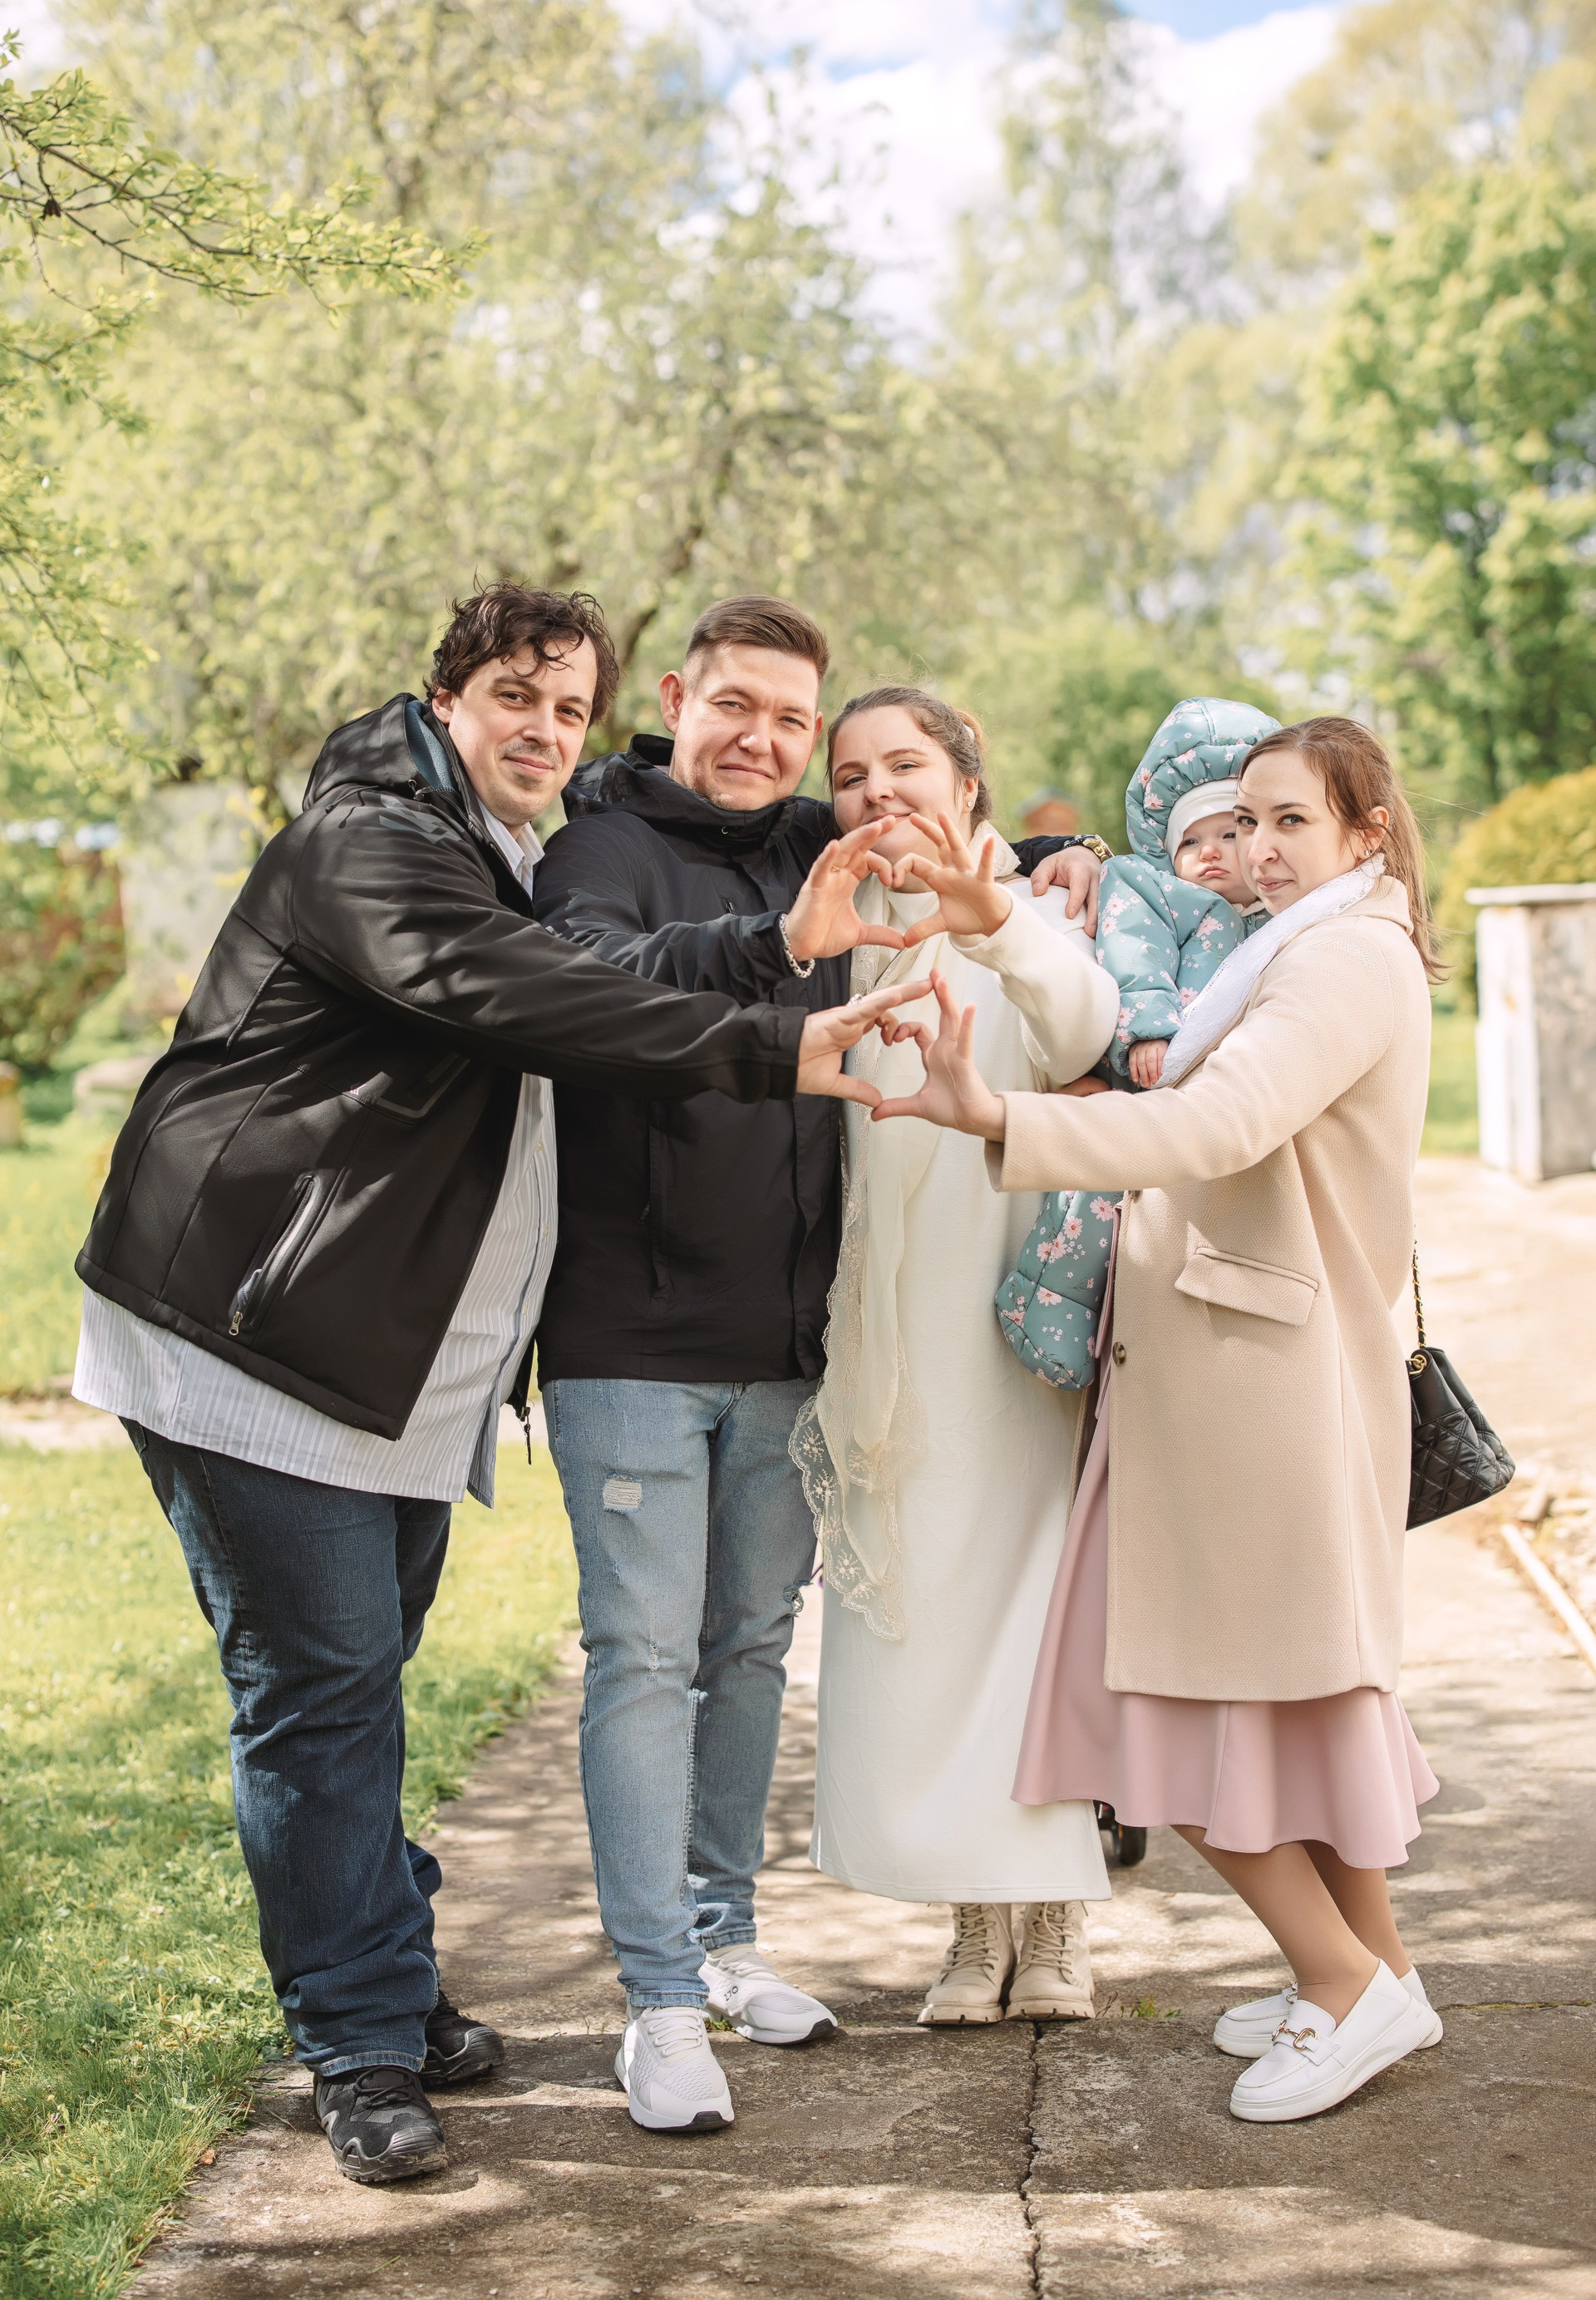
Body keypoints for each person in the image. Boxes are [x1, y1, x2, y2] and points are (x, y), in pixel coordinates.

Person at [70, 584, 927, 2185]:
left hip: (379, 1364)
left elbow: (623, 934)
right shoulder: (372, 842)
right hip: (252, 1335)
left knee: (358, 1682)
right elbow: (529, 995)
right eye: (514, 697)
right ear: (445, 697)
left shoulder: (507, 848)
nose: (543, 730)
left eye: (567, 707)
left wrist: (1032, 873)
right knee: (320, 1699)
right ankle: (359, 2044)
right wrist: (769, 1032)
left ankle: (382, 1977)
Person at [531, 599, 1104, 2132]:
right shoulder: (596, 851)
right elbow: (601, 984)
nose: (767, 743)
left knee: (747, 1653)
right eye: (737, 706)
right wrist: (783, 942)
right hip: (633, 1340)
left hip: (791, 1344)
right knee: (642, 1660)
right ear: (676, 699)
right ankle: (659, 2001)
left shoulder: (815, 839)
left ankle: (724, 1945)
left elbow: (960, 851)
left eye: (795, 722)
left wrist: (1061, 868)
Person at [875, 717, 1447, 2125]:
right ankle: (1373, 1972)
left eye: (1291, 822)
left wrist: (998, 1120)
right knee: (1296, 1708)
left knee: (1149, 1711)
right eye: (1245, 821)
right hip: (1237, 1372)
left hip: (1254, 1385)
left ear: (1367, 831)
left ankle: (1340, 1984)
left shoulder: (1339, 959)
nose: (1259, 849)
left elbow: (1213, 1127)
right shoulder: (1298, 943)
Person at [791, 686, 1121, 2029]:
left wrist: (1007, 915)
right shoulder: (835, 926)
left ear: (968, 783)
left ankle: (1058, 1923)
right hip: (883, 1333)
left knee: (1032, 1622)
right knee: (921, 1625)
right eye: (851, 773)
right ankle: (971, 1927)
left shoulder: (1031, 913)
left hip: (1013, 1324)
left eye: (907, 764)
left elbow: (1086, 1030)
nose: (878, 791)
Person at [998, 698, 1277, 1390]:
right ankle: (1042, 1311)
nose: (1209, 852)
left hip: (1222, 1106)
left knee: (1169, 1231)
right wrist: (1148, 1028)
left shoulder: (1277, 920)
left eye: (1229, 833)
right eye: (1191, 842)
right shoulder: (1164, 893)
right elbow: (1133, 949)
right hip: (1148, 1069)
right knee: (1094, 1200)